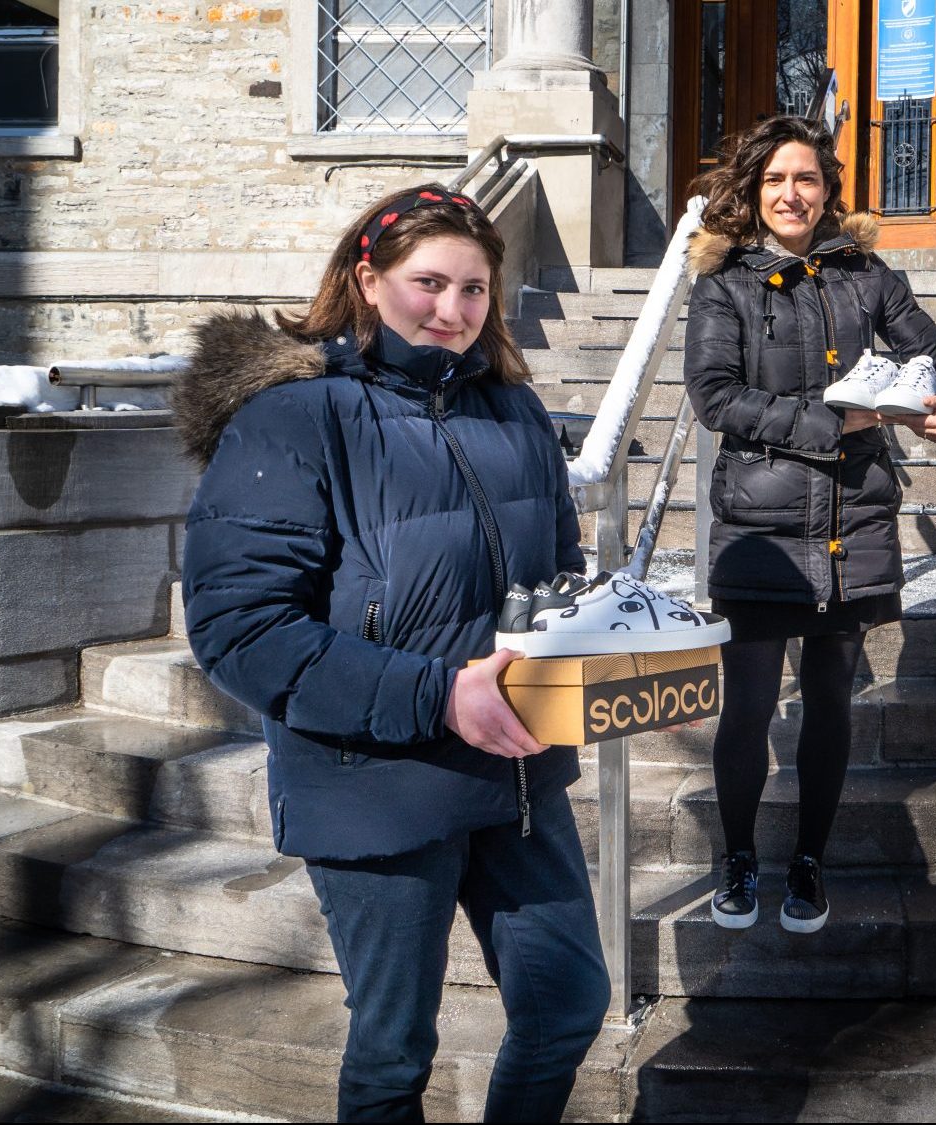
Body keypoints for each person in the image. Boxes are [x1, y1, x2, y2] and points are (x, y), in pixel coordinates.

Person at [176, 184, 607, 1122]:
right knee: (394, 1047)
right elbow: (239, 628)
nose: (452, 311)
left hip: (520, 773)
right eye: (428, 283)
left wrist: (612, 646)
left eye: (475, 290)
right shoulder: (295, 417)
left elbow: (559, 579)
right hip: (371, 776)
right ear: (367, 280)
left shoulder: (516, 416)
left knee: (569, 1003)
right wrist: (437, 695)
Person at [682, 115, 936, 933]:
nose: (792, 193)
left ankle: (809, 861)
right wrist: (834, 422)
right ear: (752, 190)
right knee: (747, 705)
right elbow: (715, 397)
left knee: (829, 701)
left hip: (852, 521)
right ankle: (740, 856)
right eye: (776, 179)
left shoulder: (866, 276)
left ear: (827, 192)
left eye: (807, 179)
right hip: (762, 524)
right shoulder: (726, 284)